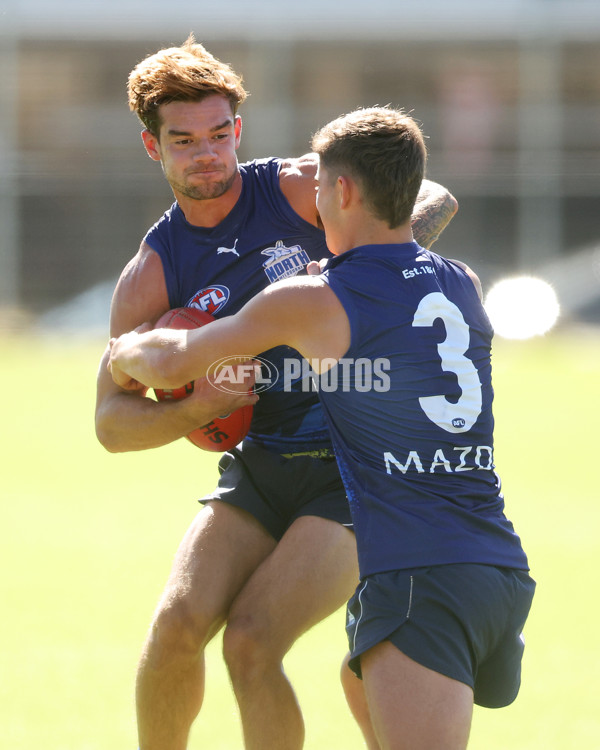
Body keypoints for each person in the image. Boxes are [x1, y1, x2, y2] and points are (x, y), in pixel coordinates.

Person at [108, 105, 536, 750]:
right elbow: (389, 285)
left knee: (295, 655)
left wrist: (122, 351)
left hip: (417, 562)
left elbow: (169, 359)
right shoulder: (463, 284)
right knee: (355, 681)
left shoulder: (314, 299)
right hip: (490, 557)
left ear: (341, 191)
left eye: (319, 192)